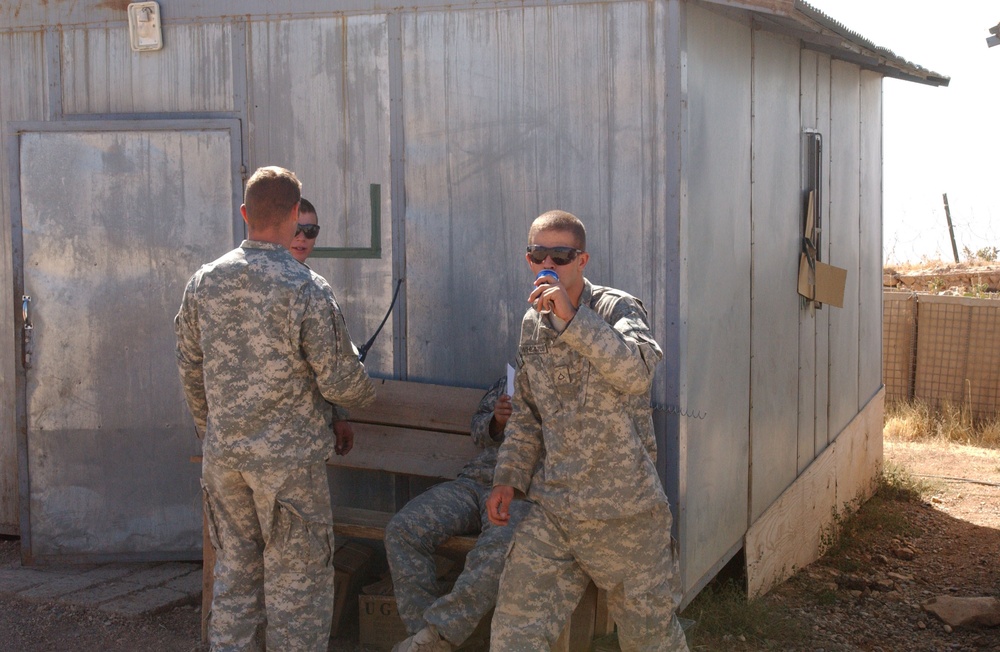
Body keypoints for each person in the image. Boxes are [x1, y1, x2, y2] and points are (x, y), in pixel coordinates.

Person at [174, 166, 376, 652]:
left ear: (245, 214)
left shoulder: (204, 282)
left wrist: (214, 431)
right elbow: (341, 382)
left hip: (226, 463)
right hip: (288, 472)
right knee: (298, 591)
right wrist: (364, 389)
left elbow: (189, 367)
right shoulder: (305, 288)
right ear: (292, 215)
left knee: (236, 580)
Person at [486, 210, 689, 651]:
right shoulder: (531, 324)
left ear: (583, 261)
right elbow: (527, 413)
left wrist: (573, 320)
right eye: (537, 254)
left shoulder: (616, 308)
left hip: (624, 515)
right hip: (556, 509)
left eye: (560, 255)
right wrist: (508, 479)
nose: (548, 265)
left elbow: (637, 373)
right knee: (514, 633)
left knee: (650, 640)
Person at [385, 376, 531, 652]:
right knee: (403, 529)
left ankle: (440, 636)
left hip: (519, 489)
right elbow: (477, 428)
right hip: (474, 482)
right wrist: (495, 422)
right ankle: (423, 638)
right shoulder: (512, 377)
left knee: (499, 548)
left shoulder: (569, 383)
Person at [290, 198, 353, 458]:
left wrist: (339, 416)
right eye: (296, 229)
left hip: (306, 435)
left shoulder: (316, 289)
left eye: (311, 231)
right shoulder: (248, 280)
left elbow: (330, 360)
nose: (303, 238)